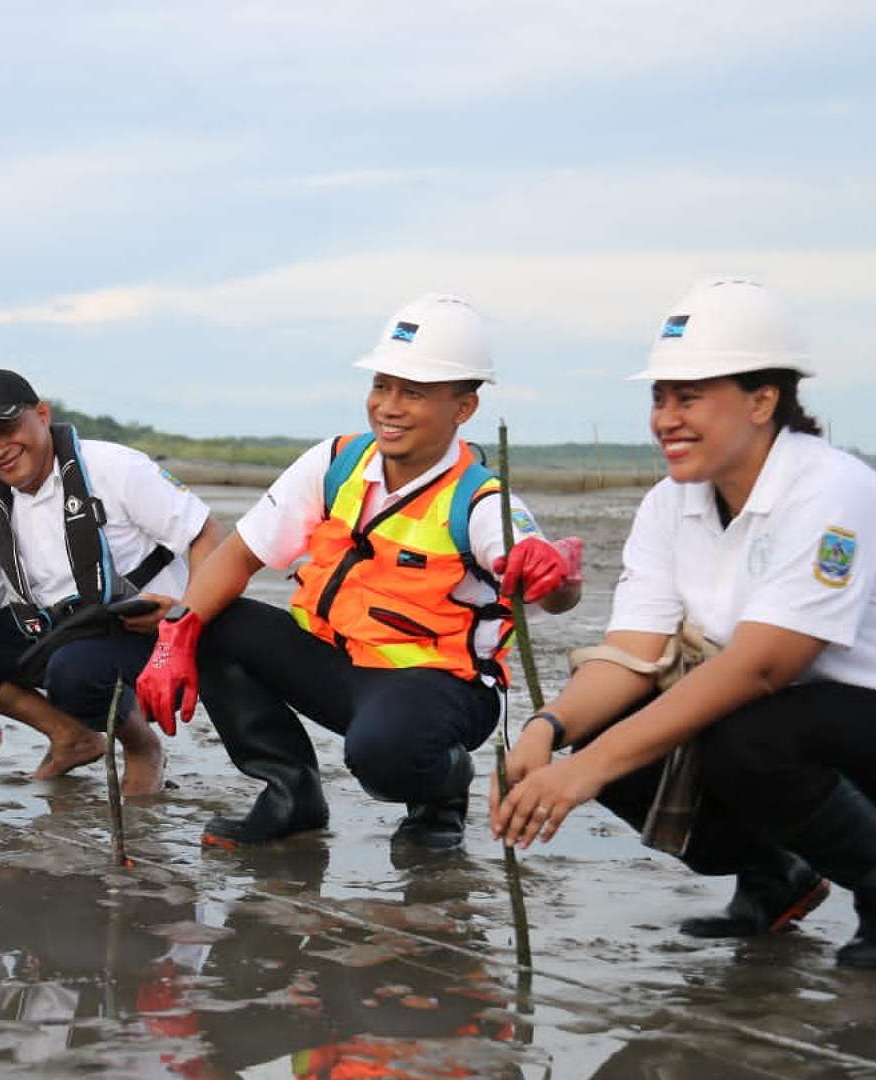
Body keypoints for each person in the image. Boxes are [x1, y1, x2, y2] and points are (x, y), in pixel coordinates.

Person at [486, 279, 876, 970]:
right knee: (611, 724)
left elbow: (764, 666)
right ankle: (778, 875)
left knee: (740, 734)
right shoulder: (670, 505)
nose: (666, 418)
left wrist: (582, 773)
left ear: (763, 400)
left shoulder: (830, 491)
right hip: (797, 728)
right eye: (660, 398)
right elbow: (632, 653)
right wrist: (549, 733)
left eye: (690, 396)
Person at [135, 295, 581, 854]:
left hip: (436, 684)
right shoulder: (336, 462)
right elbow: (238, 555)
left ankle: (443, 790)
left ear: (463, 407)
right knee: (212, 621)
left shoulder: (483, 502)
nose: (389, 407)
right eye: (382, 386)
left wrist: (557, 577)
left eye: (413, 392)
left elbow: (553, 592)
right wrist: (174, 636)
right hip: (337, 662)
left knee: (382, 756)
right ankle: (290, 792)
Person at [0, 370, 222, 795]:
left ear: (42, 414)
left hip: (147, 629)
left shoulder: (114, 467)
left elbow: (207, 534)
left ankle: (142, 747)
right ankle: (73, 737)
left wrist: (186, 620)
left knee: (73, 670)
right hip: (61, 632)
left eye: (7, 429)